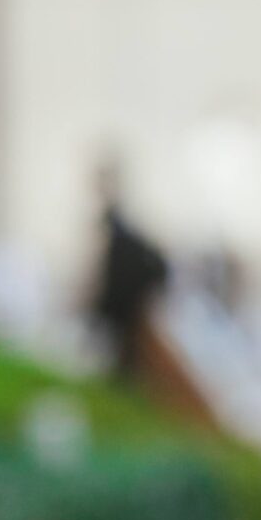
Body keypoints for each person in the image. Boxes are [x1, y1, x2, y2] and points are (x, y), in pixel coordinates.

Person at [86, 156, 171, 386]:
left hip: (124, 310)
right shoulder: (119, 229)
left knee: (127, 363)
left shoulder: (121, 233)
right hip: (123, 310)